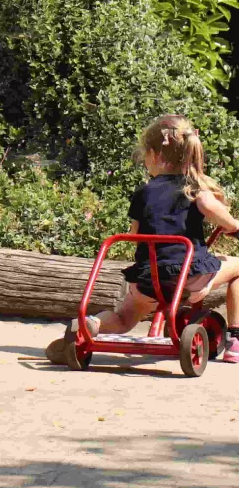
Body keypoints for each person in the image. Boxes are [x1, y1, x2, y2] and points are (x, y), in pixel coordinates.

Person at [46, 114, 239, 364]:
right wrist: (233, 225)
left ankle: (91, 324)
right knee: (236, 266)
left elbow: (137, 235)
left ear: (155, 155)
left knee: (124, 320)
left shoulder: (143, 193)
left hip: (147, 279)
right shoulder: (194, 189)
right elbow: (209, 207)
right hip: (189, 275)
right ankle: (235, 338)